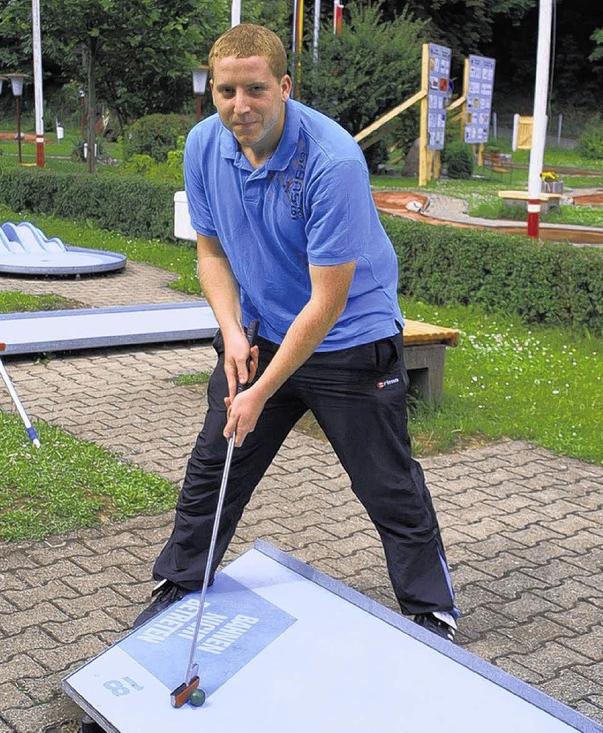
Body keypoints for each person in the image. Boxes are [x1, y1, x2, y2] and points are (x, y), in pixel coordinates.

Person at [135, 23, 459, 640]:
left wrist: (260, 392)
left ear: (283, 86)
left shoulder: (331, 161)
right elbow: (210, 254)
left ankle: (430, 607)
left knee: (385, 482)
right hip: (260, 332)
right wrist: (231, 332)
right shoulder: (205, 145)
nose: (240, 106)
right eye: (226, 90)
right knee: (216, 462)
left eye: (255, 89)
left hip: (348, 339)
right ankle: (180, 579)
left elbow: (328, 300)